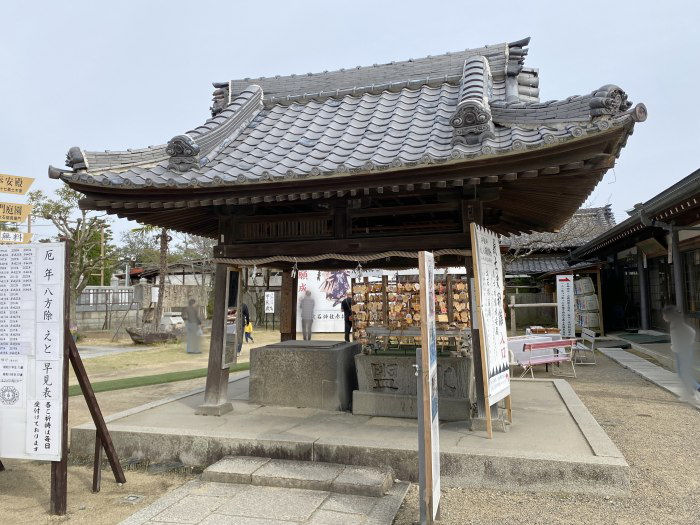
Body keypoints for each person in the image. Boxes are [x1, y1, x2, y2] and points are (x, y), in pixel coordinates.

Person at [663, 306, 700, 407]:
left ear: (668, 315)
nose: (663, 317)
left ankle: (695, 392)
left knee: (684, 374)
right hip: (681, 351)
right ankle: (689, 394)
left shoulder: (677, 325)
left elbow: (692, 332)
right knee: (682, 374)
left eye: (664, 315)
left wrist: (686, 345)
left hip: (684, 352)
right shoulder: (675, 324)